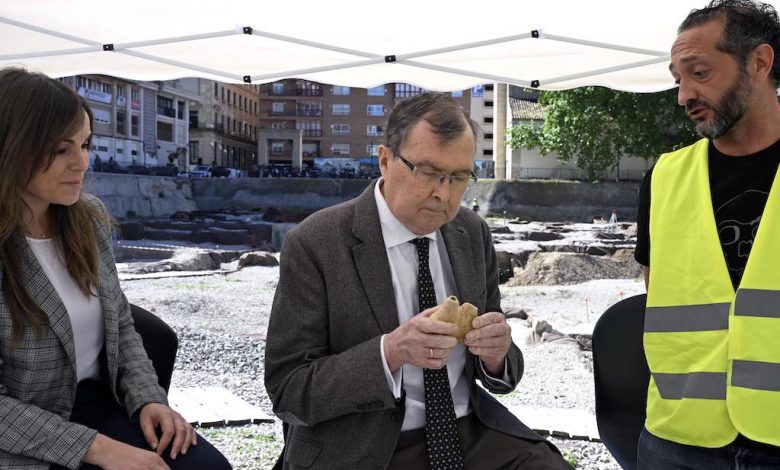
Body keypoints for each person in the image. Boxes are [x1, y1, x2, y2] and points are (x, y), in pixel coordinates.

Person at [265, 92, 570, 469]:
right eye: (427, 172)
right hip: (361, 446)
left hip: (467, 429)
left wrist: (495, 355)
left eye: (458, 177)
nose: (443, 193)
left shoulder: (472, 232)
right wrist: (390, 352)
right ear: (385, 161)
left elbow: (501, 367)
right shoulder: (316, 242)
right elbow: (288, 390)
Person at [0, 68, 232, 470]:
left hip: (94, 402)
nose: (82, 162)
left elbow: (120, 323)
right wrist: (101, 450)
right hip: (20, 429)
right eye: (61, 149)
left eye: (85, 144)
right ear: (11, 147)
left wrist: (149, 398)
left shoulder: (86, 219)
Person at [634, 1, 780, 468]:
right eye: (678, 78)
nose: (684, 94)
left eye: (699, 73)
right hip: (677, 437)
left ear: (759, 63)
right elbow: (657, 290)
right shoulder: (664, 178)